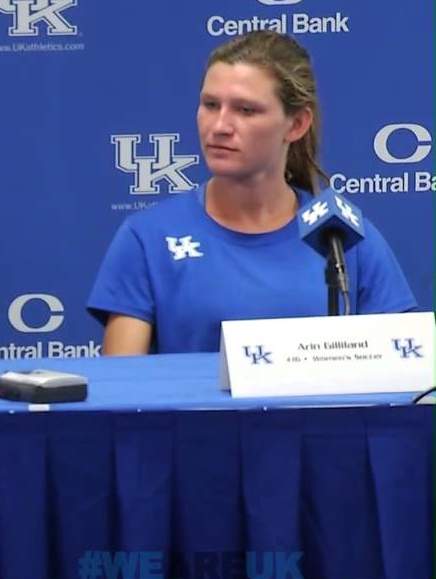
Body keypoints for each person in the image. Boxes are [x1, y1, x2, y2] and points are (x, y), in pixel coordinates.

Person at [87, 30, 416, 355]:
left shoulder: (343, 237)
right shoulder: (147, 237)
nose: (219, 126)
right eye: (211, 105)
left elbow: (407, 374)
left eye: (245, 110)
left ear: (296, 124)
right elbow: (122, 391)